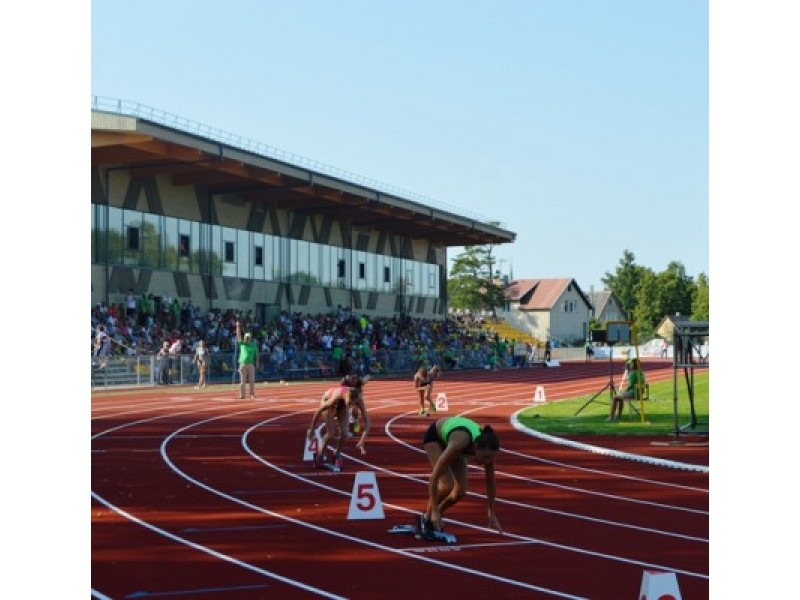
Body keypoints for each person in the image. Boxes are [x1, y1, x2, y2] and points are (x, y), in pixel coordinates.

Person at [420, 416, 502, 539]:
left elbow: (490, 483)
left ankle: (435, 516)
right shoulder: (460, 442)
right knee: (447, 485)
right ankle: (427, 519)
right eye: (485, 457)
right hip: (435, 437)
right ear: (476, 448)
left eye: (490, 458)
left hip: (457, 444)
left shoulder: (487, 449)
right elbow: (434, 478)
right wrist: (434, 511)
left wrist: (491, 514)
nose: (487, 461)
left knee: (460, 492)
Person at [307, 384, 354, 468]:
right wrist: (312, 429)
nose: (350, 406)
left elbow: (366, 419)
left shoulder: (357, 399)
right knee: (330, 433)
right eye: (349, 403)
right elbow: (318, 411)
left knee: (345, 433)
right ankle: (320, 456)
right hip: (329, 398)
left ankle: (337, 454)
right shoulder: (333, 399)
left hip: (342, 403)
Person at [236, 321, 259, 399]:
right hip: (242, 364)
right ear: (245, 338)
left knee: (252, 381)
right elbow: (238, 336)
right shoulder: (242, 344)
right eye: (246, 338)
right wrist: (238, 327)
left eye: (248, 338)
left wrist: (257, 363)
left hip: (250, 364)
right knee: (242, 382)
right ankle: (242, 395)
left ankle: (252, 394)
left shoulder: (253, 345)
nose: (247, 339)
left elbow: (256, 355)